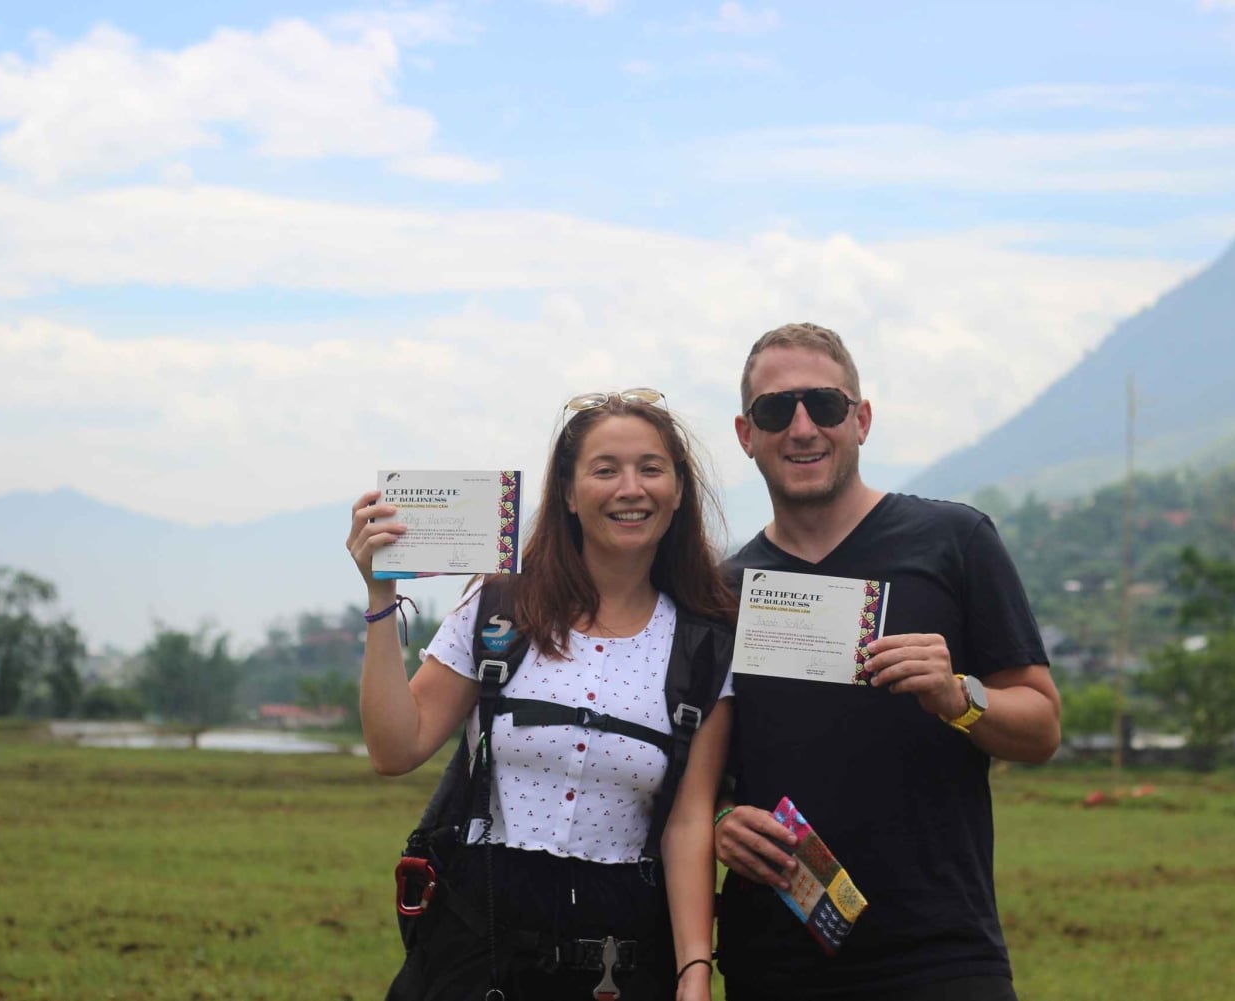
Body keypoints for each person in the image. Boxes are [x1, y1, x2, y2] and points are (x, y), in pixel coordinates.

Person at [346, 389, 736, 1001]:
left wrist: (693, 972)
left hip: (622, 957)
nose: (630, 488)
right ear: (568, 492)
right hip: (480, 946)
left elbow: (688, 821)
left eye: (651, 468)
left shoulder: (706, 647)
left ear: (679, 490)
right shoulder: (500, 607)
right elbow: (394, 749)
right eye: (605, 469)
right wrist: (378, 597)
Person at [713, 323, 1062, 1001]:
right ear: (746, 433)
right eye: (776, 410)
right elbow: (705, 776)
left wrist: (961, 695)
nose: (803, 427)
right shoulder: (722, 593)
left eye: (827, 405)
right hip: (776, 961)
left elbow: (1043, 725)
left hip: (941, 956)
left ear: (862, 419)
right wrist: (726, 823)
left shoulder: (955, 542)